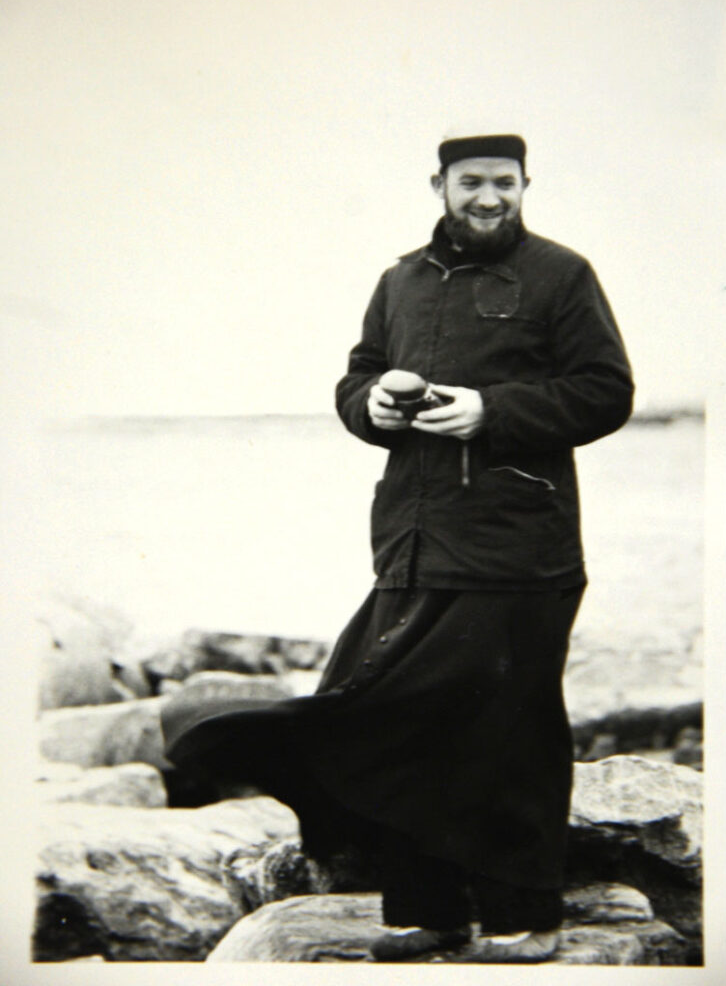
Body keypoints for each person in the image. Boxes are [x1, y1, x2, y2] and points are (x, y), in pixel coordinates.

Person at [163, 133, 634, 963]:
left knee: (510, 729)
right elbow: (357, 376)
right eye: (470, 183)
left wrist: (493, 411)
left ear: (525, 185)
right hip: (411, 541)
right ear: (439, 185)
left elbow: (605, 391)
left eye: (503, 183)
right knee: (395, 714)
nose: (487, 198)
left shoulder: (561, 274)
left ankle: (525, 915)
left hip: (522, 545)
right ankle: (427, 912)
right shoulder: (400, 281)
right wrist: (370, 403)